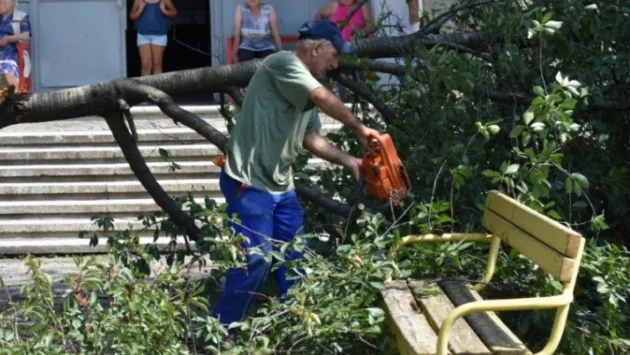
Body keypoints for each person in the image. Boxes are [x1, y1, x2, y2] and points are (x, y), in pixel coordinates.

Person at [211, 20, 380, 327]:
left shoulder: (304, 86)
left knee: (294, 257)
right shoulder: (283, 63)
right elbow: (321, 97)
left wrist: (350, 161)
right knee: (256, 260)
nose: (335, 63)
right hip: (248, 182)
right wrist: (359, 128)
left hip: (280, 185)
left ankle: (294, 327)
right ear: (316, 48)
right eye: (334, 55)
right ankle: (221, 330)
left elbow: (310, 138)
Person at [129, 0, 177, 76]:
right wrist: (139, 11)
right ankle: (145, 87)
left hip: (159, 34)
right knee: (145, 65)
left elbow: (174, 12)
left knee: (157, 63)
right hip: (143, 34)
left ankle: (157, 86)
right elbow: (132, 16)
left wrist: (164, 11)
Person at [0, 0, 30, 89]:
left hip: (11, 56)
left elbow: (27, 35)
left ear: (11, 3)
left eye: (2, 3)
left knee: (6, 69)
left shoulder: (21, 17)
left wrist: (9, 39)